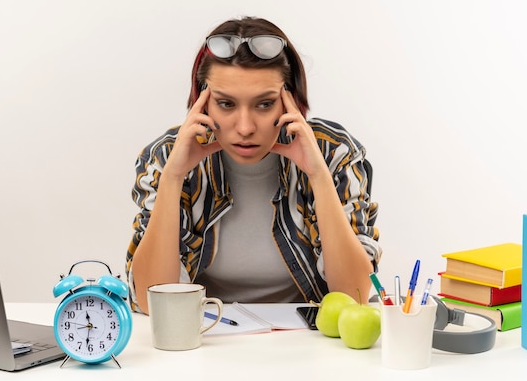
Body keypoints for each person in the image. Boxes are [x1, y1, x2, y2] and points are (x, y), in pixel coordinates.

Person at [126, 17, 381, 314]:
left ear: (291, 100)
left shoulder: (333, 152)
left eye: (263, 104)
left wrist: (318, 175)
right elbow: (151, 303)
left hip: (307, 345)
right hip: (204, 339)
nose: (245, 128)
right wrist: (173, 177)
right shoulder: (166, 157)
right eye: (226, 104)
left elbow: (357, 297)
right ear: (202, 101)